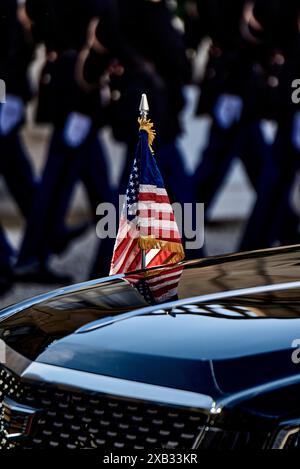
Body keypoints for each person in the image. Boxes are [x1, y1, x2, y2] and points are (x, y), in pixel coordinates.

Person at [15, 0, 116, 282]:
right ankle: (32, 256)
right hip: (78, 84)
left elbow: (29, 16)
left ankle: (116, 251)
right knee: (57, 183)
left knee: (98, 184)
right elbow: (99, 36)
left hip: (60, 77)